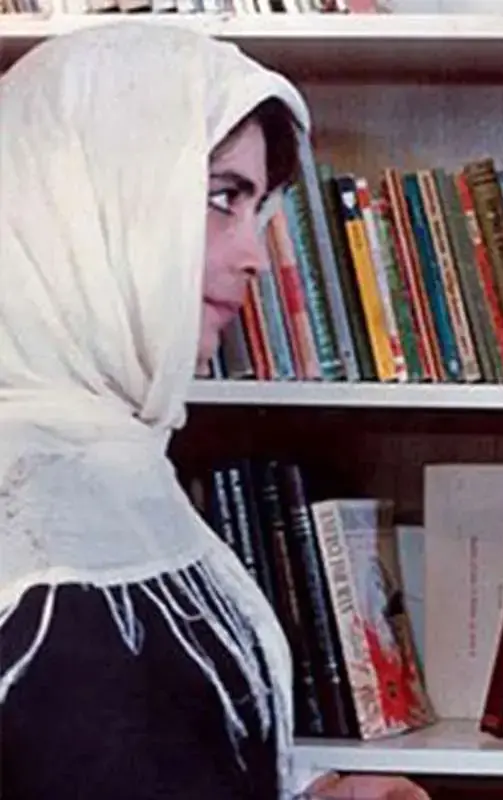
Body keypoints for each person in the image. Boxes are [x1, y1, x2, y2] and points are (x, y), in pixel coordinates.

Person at [0, 21, 427, 800]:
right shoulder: (32, 503)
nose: (255, 254)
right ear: (83, 202)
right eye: (221, 198)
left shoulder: (114, 459)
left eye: (258, 209)